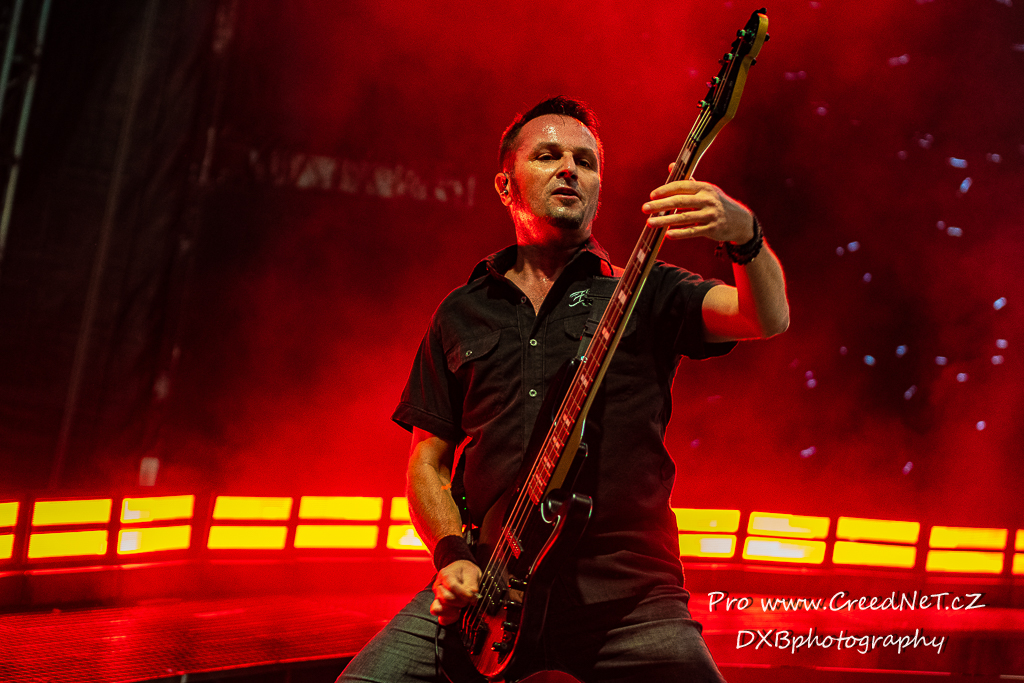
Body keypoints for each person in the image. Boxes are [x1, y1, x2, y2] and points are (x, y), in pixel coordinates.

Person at [338, 96, 789, 683]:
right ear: (506, 186)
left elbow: (765, 316)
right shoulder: (461, 312)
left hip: (627, 597)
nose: (570, 169)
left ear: (599, 188)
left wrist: (745, 236)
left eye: (586, 161)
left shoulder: (642, 290)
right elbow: (427, 461)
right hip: (489, 593)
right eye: (548, 156)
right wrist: (451, 556)